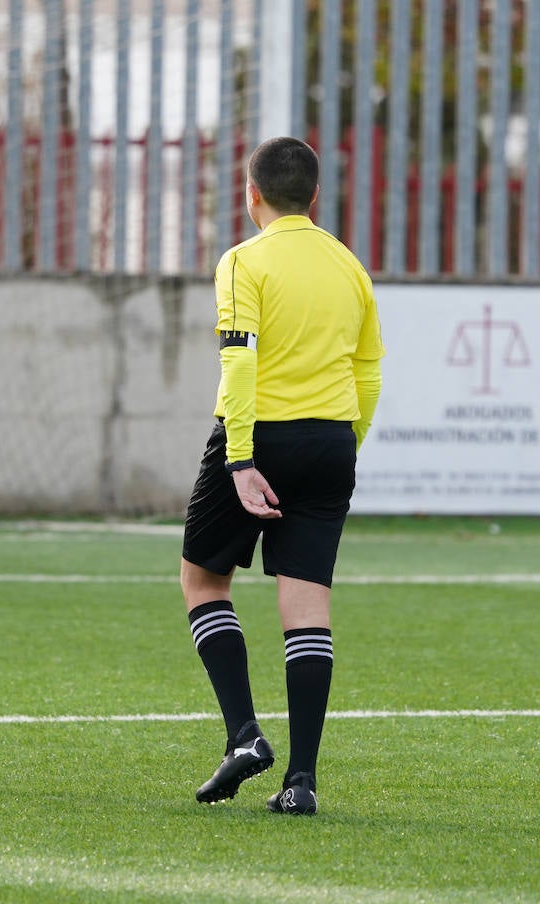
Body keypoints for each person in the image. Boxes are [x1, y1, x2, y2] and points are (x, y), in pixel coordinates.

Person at [179, 137, 383, 816]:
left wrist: (241, 459)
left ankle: (244, 737)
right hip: (331, 441)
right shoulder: (350, 266)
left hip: (260, 435)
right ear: (315, 197)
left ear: (251, 193)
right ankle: (301, 781)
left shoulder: (243, 262)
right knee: (307, 609)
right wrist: (344, 443)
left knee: (203, 580)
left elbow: (239, 364)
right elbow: (369, 371)